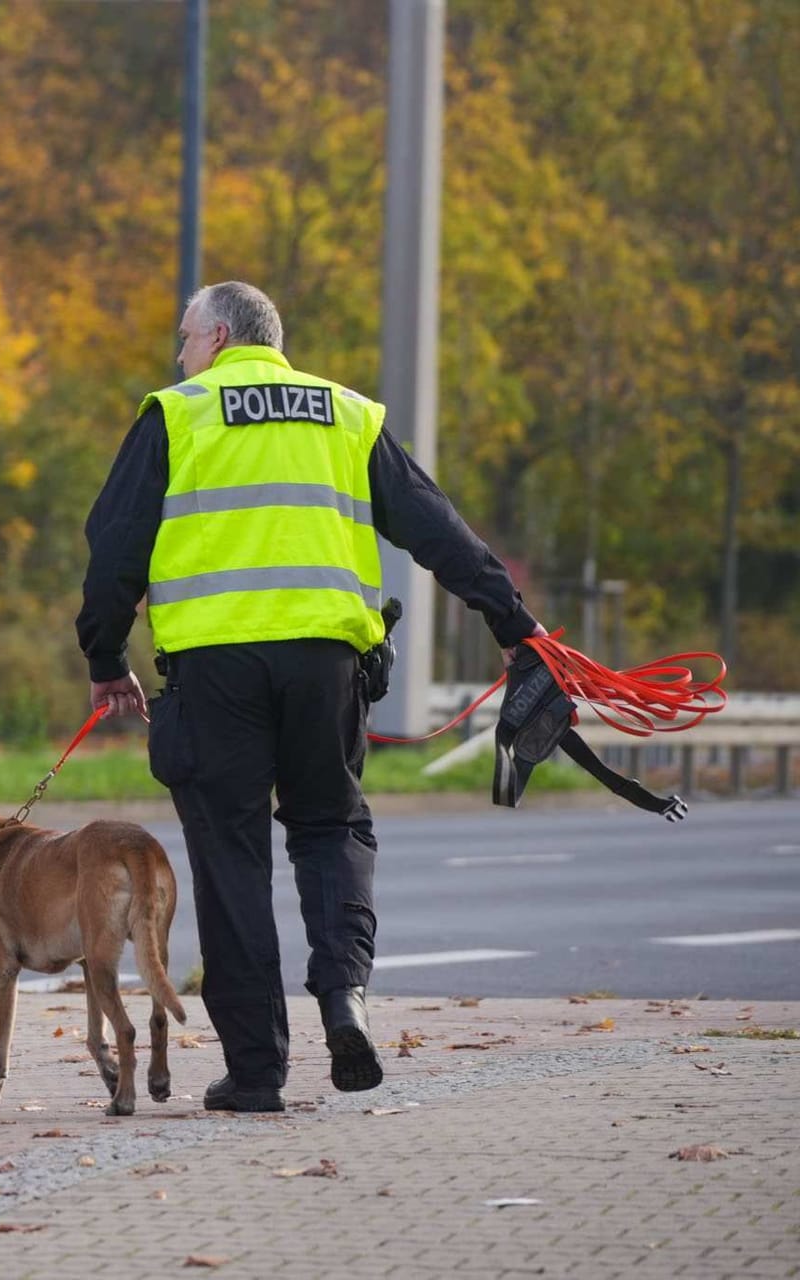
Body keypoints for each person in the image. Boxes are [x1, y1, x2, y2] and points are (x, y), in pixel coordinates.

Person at [76, 281, 543, 1113]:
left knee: (232, 858)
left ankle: (257, 1072)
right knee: (330, 830)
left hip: (216, 674)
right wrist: (511, 621)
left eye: (184, 337)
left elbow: (114, 545)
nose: (179, 354)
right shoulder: (346, 414)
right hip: (328, 666)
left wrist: (106, 654)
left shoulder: (179, 412)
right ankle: (343, 999)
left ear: (217, 336)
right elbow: (437, 527)